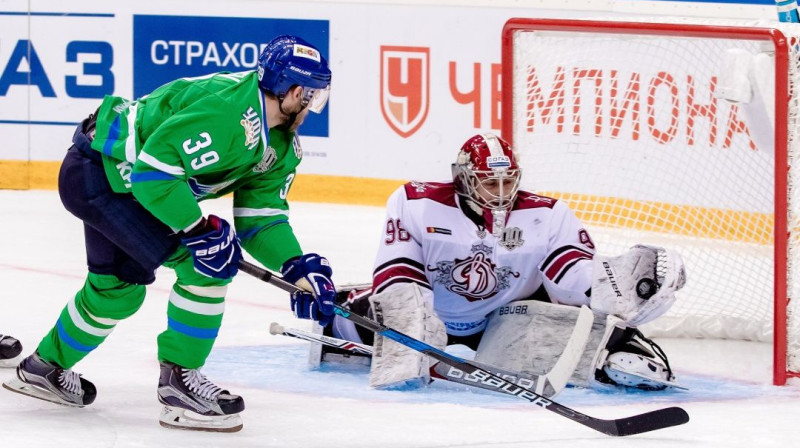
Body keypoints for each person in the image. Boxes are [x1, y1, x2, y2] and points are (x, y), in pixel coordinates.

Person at [1, 35, 337, 432]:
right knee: (206, 265)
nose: (314, 107)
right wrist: (199, 230)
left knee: (117, 291)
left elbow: (260, 218)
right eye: (313, 97)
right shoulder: (227, 113)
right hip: (100, 176)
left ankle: (44, 367)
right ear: (295, 91)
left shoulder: (279, 145)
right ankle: (180, 383)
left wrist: (295, 266)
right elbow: (153, 174)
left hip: (119, 180)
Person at [323, 133, 687, 392]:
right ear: (463, 179)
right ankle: (350, 302)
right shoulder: (417, 201)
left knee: (626, 361)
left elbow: (570, 270)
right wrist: (408, 323)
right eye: (488, 182)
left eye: (507, 181)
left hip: (508, 317)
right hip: (428, 312)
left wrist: (609, 289)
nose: (500, 192)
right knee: (338, 324)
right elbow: (398, 270)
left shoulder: (546, 214)